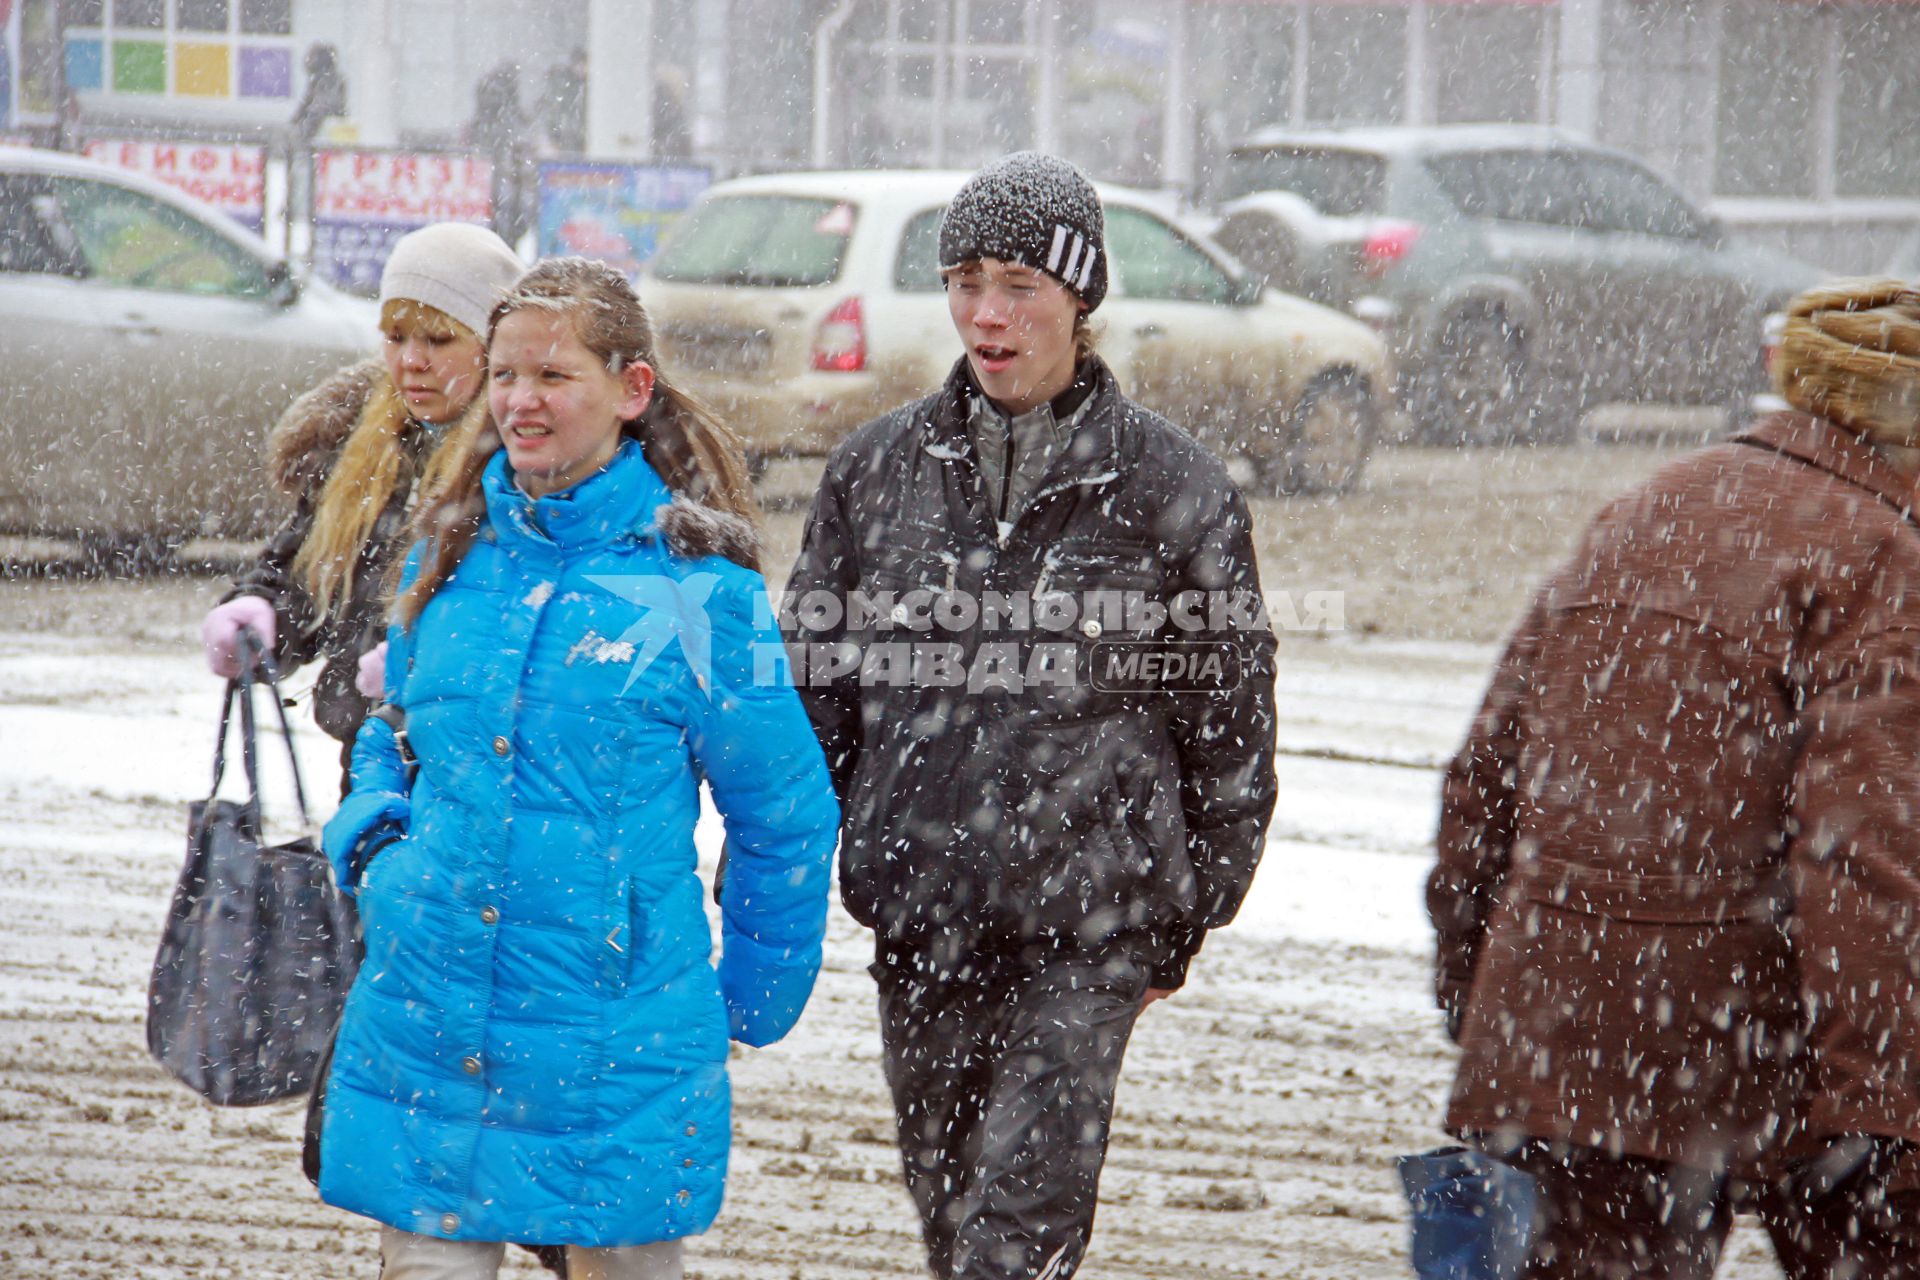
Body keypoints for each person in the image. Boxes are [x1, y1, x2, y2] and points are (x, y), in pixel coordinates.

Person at [781, 152, 1278, 1280]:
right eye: (964, 279)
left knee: (1018, 1236)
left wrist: (1189, 908)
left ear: (1080, 296)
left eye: (1018, 283)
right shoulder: (875, 471)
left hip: (1089, 923)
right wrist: (826, 853)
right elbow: (813, 687)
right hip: (923, 914)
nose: (986, 313)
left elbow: (1231, 714)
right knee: (953, 1221)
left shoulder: (1172, 486)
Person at [318, 256, 839, 1278]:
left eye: (554, 376)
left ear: (630, 388)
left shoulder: (696, 591)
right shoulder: (449, 555)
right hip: (430, 1020)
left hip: (616, 1046)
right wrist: (379, 847)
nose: (520, 400)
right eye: (507, 373)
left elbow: (785, 811)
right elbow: (392, 729)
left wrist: (748, 997)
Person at [1429, 277, 1920, 1278]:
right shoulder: (1881, 555)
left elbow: (1481, 779)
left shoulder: (1646, 506)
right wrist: (1885, 1107)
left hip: (1555, 1040)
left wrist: (1480, 995)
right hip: (1751, 1044)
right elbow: (1866, 855)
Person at [201, 223, 524, 794]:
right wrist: (263, 610)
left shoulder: (525, 459)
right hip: (371, 759)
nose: (412, 361)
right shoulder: (364, 441)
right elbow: (303, 566)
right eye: (396, 337)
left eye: (439, 339)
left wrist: (423, 668)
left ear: (494, 344)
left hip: (480, 772)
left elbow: (528, 624)